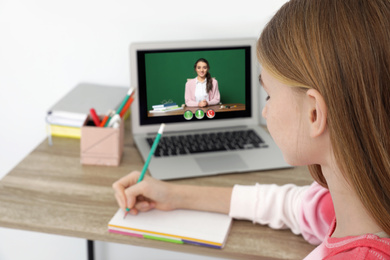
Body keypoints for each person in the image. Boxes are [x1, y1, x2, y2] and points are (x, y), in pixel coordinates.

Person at [113, 0, 390, 258]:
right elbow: (289, 205)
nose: (264, 111)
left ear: (314, 112)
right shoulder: (350, 204)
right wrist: (174, 195)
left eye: (268, 95)